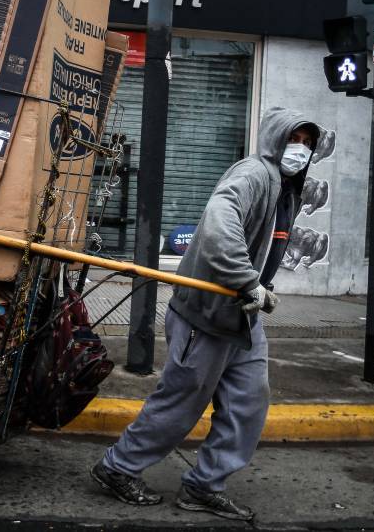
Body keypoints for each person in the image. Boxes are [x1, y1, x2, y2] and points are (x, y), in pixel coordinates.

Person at [90, 107, 319, 522]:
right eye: (293, 139)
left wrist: (257, 288)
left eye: (307, 143)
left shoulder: (288, 190)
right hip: (205, 313)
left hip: (243, 317)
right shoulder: (254, 174)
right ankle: (117, 467)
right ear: (274, 137)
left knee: (248, 402)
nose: (299, 149)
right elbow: (218, 222)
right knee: (181, 401)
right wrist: (247, 280)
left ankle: (204, 485)